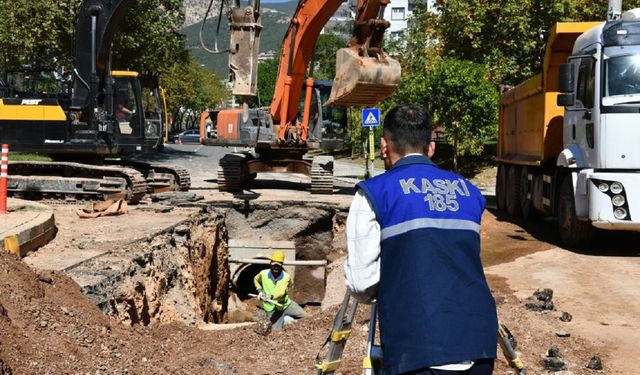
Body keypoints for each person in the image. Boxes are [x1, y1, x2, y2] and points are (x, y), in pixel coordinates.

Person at [344, 104, 498, 375]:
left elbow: (362, 283)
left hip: (416, 347)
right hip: (478, 344)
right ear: (431, 148)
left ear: (383, 146)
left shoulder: (373, 194)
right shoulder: (468, 191)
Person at [254, 250, 308, 330]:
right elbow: (256, 279)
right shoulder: (263, 274)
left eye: (278, 265)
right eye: (274, 265)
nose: (276, 267)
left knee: (305, 317)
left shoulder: (286, 277)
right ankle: (284, 322)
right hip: (271, 308)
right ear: (270, 263)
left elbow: (281, 293)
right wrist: (260, 291)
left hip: (285, 304)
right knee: (275, 331)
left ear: (282, 265)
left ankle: (288, 321)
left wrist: (270, 297)